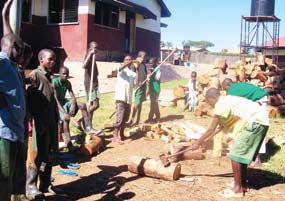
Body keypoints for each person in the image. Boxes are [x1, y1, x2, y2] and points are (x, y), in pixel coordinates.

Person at [191, 87, 269, 198]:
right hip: (260, 120)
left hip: (256, 122)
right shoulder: (226, 100)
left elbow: (211, 129)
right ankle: (242, 184)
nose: (208, 104)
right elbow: (238, 114)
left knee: (235, 154)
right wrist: (224, 124)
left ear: (212, 98)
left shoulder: (220, 105)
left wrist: (198, 142)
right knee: (239, 155)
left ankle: (237, 190)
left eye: (208, 101)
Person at [26, 49, 64, 198]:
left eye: (54, 59)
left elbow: (53, 99)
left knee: (49, 154)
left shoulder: (50, 77)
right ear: (41, 59)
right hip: (39, 122)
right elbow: (30, 100)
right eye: (50, 59)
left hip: (51, 122)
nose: (53, 62)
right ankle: (31, 186)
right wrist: (35, 120)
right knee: (37, 155)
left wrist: (57, 118)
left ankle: (46, 184)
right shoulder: (35, 75)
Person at [0, 33, 26, 201]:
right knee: (3, 179)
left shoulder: (10, 65)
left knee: (12, 179)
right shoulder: (2, 62)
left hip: (16, 130)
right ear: (14, 47)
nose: (22, 56)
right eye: (21, 51)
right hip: (5, 131)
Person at [221, 78, 268, 168]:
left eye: (225, 89)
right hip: (261, 99)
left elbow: (234, 111)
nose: (226, 92)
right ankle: (253, 157)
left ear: (227, 86)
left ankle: (256, 160)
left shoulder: (232, 91)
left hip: (259, 101)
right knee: (256, 128)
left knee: (255, 129)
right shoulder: (239, 86)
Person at [53, 66, 99, 151]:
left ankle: (88, 128)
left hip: (64, 102)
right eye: (63, 74)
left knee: (83, 105)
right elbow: (55, 99)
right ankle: (68, 143)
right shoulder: (55, 82)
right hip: (56, 105)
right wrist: (64, 112)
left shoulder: (67, 83)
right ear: (59, 74)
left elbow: (72, 95)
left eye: (67, 74)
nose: (65, 76)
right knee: (66, 119)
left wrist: (73, 105)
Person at [112, 55, 137, 144]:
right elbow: (120, 67)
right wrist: (131, 61)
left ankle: (122, 134)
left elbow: (136, 82)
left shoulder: (132, 73)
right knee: (119, 117)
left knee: (125, 118)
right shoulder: (120, 68)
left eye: (130, 60)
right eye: (126, 60)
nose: (128, 61)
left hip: (128, 98)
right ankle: (115, 137)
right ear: (123, 61)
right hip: (120, 97)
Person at [79, 41, 101, 134]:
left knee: (93, 106)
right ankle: (79, 119)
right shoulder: (88, 55)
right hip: (90, 84)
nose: (95, 49)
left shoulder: (93, 57)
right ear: (89, 48)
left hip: (94, 84)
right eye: (93, 48)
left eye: (97, 48)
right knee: (95, 105)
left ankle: (89, 127)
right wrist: (90, 54)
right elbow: (83, 66)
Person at [127, 51, 148, 127]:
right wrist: (137, 83)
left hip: (143, 86)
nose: (144, 58)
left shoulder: (143, 65)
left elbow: (146, 74)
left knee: (140, 103)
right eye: (143, 57)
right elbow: (132, 76)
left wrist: (147, 79)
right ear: (139, 56)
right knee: (137, 103)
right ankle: (131, 120)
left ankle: (138, 120)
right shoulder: (134, 64)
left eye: (145, 57)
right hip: (137, 87)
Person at [145, 57, 161, 123]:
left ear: (155, 63)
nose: (150, 64)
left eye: (151, 63)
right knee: (154, 103)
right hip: (151, 89)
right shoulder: (151, 69)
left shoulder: (158, 70)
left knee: (153, 104)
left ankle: (151, 118)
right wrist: (148, 90)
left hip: (156, 89)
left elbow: (158, 78)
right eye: (149, 63)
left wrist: (153, 73)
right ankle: (157, 117)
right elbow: (150, 81)